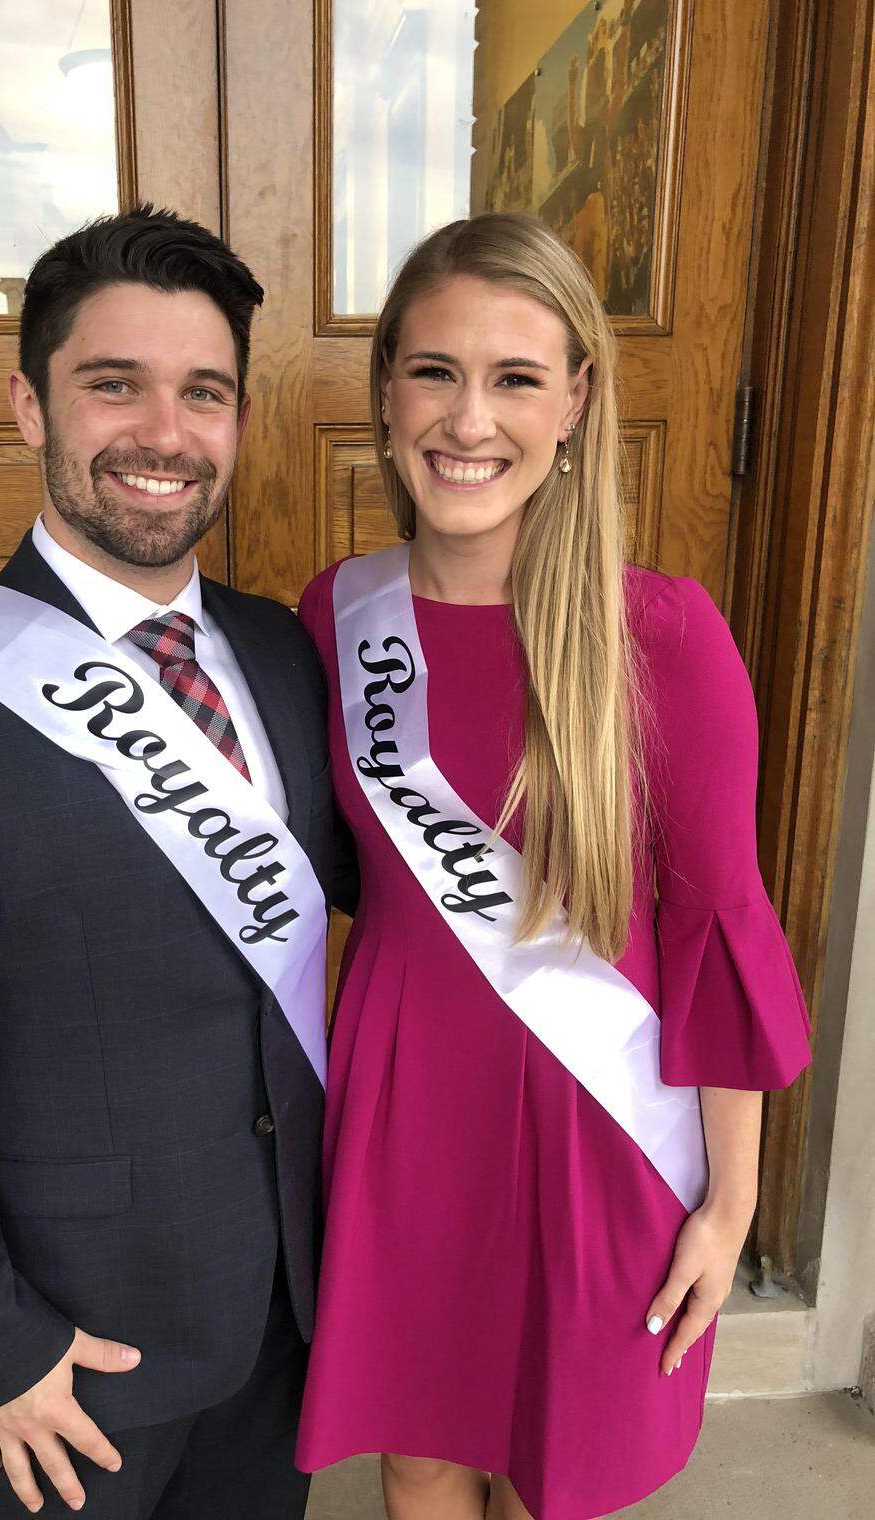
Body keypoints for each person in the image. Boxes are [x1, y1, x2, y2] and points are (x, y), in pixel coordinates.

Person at [0, 205, 351, 1520]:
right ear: (31, 406)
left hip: (288, 1315)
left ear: (238, 423)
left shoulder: (281, 653)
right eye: (115, 385)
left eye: (203, 393)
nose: (164, 434)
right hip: (75, 1357)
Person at [293, 212, 812, 1520]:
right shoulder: (334, 615)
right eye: (434, 372)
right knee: (417, 1454)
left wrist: (732, 1200)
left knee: (557, 1474)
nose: (470, 420)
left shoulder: (662, 638)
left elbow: (717, 932)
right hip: (408, 1104)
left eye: (516, 378)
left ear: (577, 401)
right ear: (386, 394)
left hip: (597, 1119)